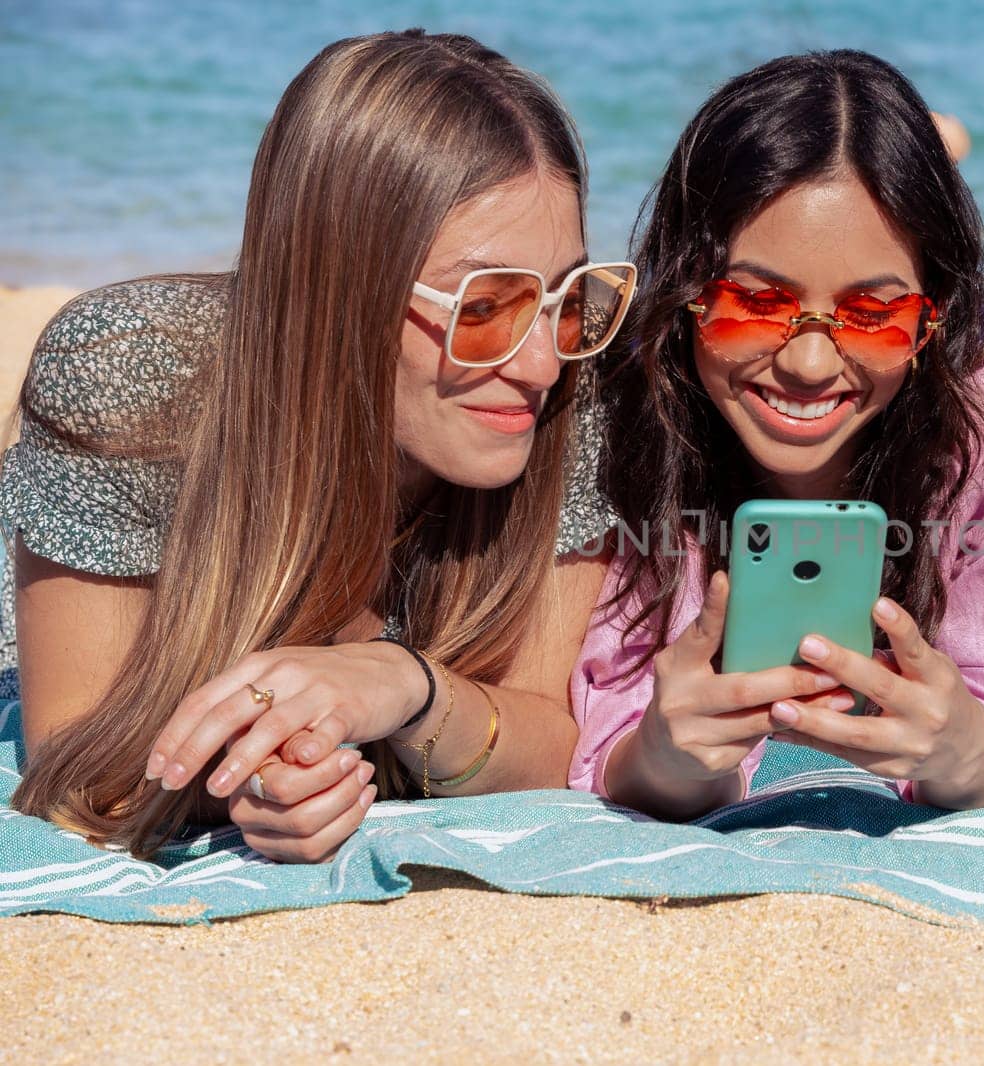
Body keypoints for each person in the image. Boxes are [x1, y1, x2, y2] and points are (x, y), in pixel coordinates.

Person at [7, 30, 635, 860]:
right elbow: (72, 760)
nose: (544, 360)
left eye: (565, 295)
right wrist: (250, 783)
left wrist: (404, 686)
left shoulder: (577, 394)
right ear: (345, 287)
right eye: (486, 306)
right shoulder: (125, 373)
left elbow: (552, 744)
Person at [569, 50, 984, 821]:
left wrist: (966, 751)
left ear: (938, 313)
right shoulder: (632, 400)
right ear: (687, 288)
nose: (806, 362)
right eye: (756, 301)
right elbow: (608, 731)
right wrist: (665, 757)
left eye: (873, 315)